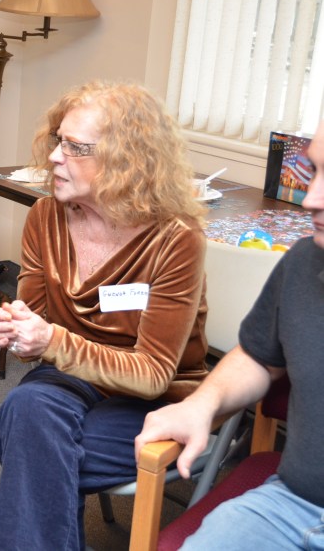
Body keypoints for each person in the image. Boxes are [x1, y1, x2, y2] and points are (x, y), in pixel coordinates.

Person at [0, 80, 209, 550]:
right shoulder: (45, 217)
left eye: (75, 147)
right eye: (57, 140)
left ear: (125, 160)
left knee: (26, 437)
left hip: (155, 398)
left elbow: (152, 374)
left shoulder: (175, 238)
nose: (53, 156)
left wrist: (50, 341)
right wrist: (19, 329)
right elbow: (33, 341)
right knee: (27, 415)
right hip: (70, 380)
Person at [135, 120, 324, 549]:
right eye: (314, 172)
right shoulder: (303, 260)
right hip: (291, 504)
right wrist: (203, 403)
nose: (311, 198)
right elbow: (260, 356)